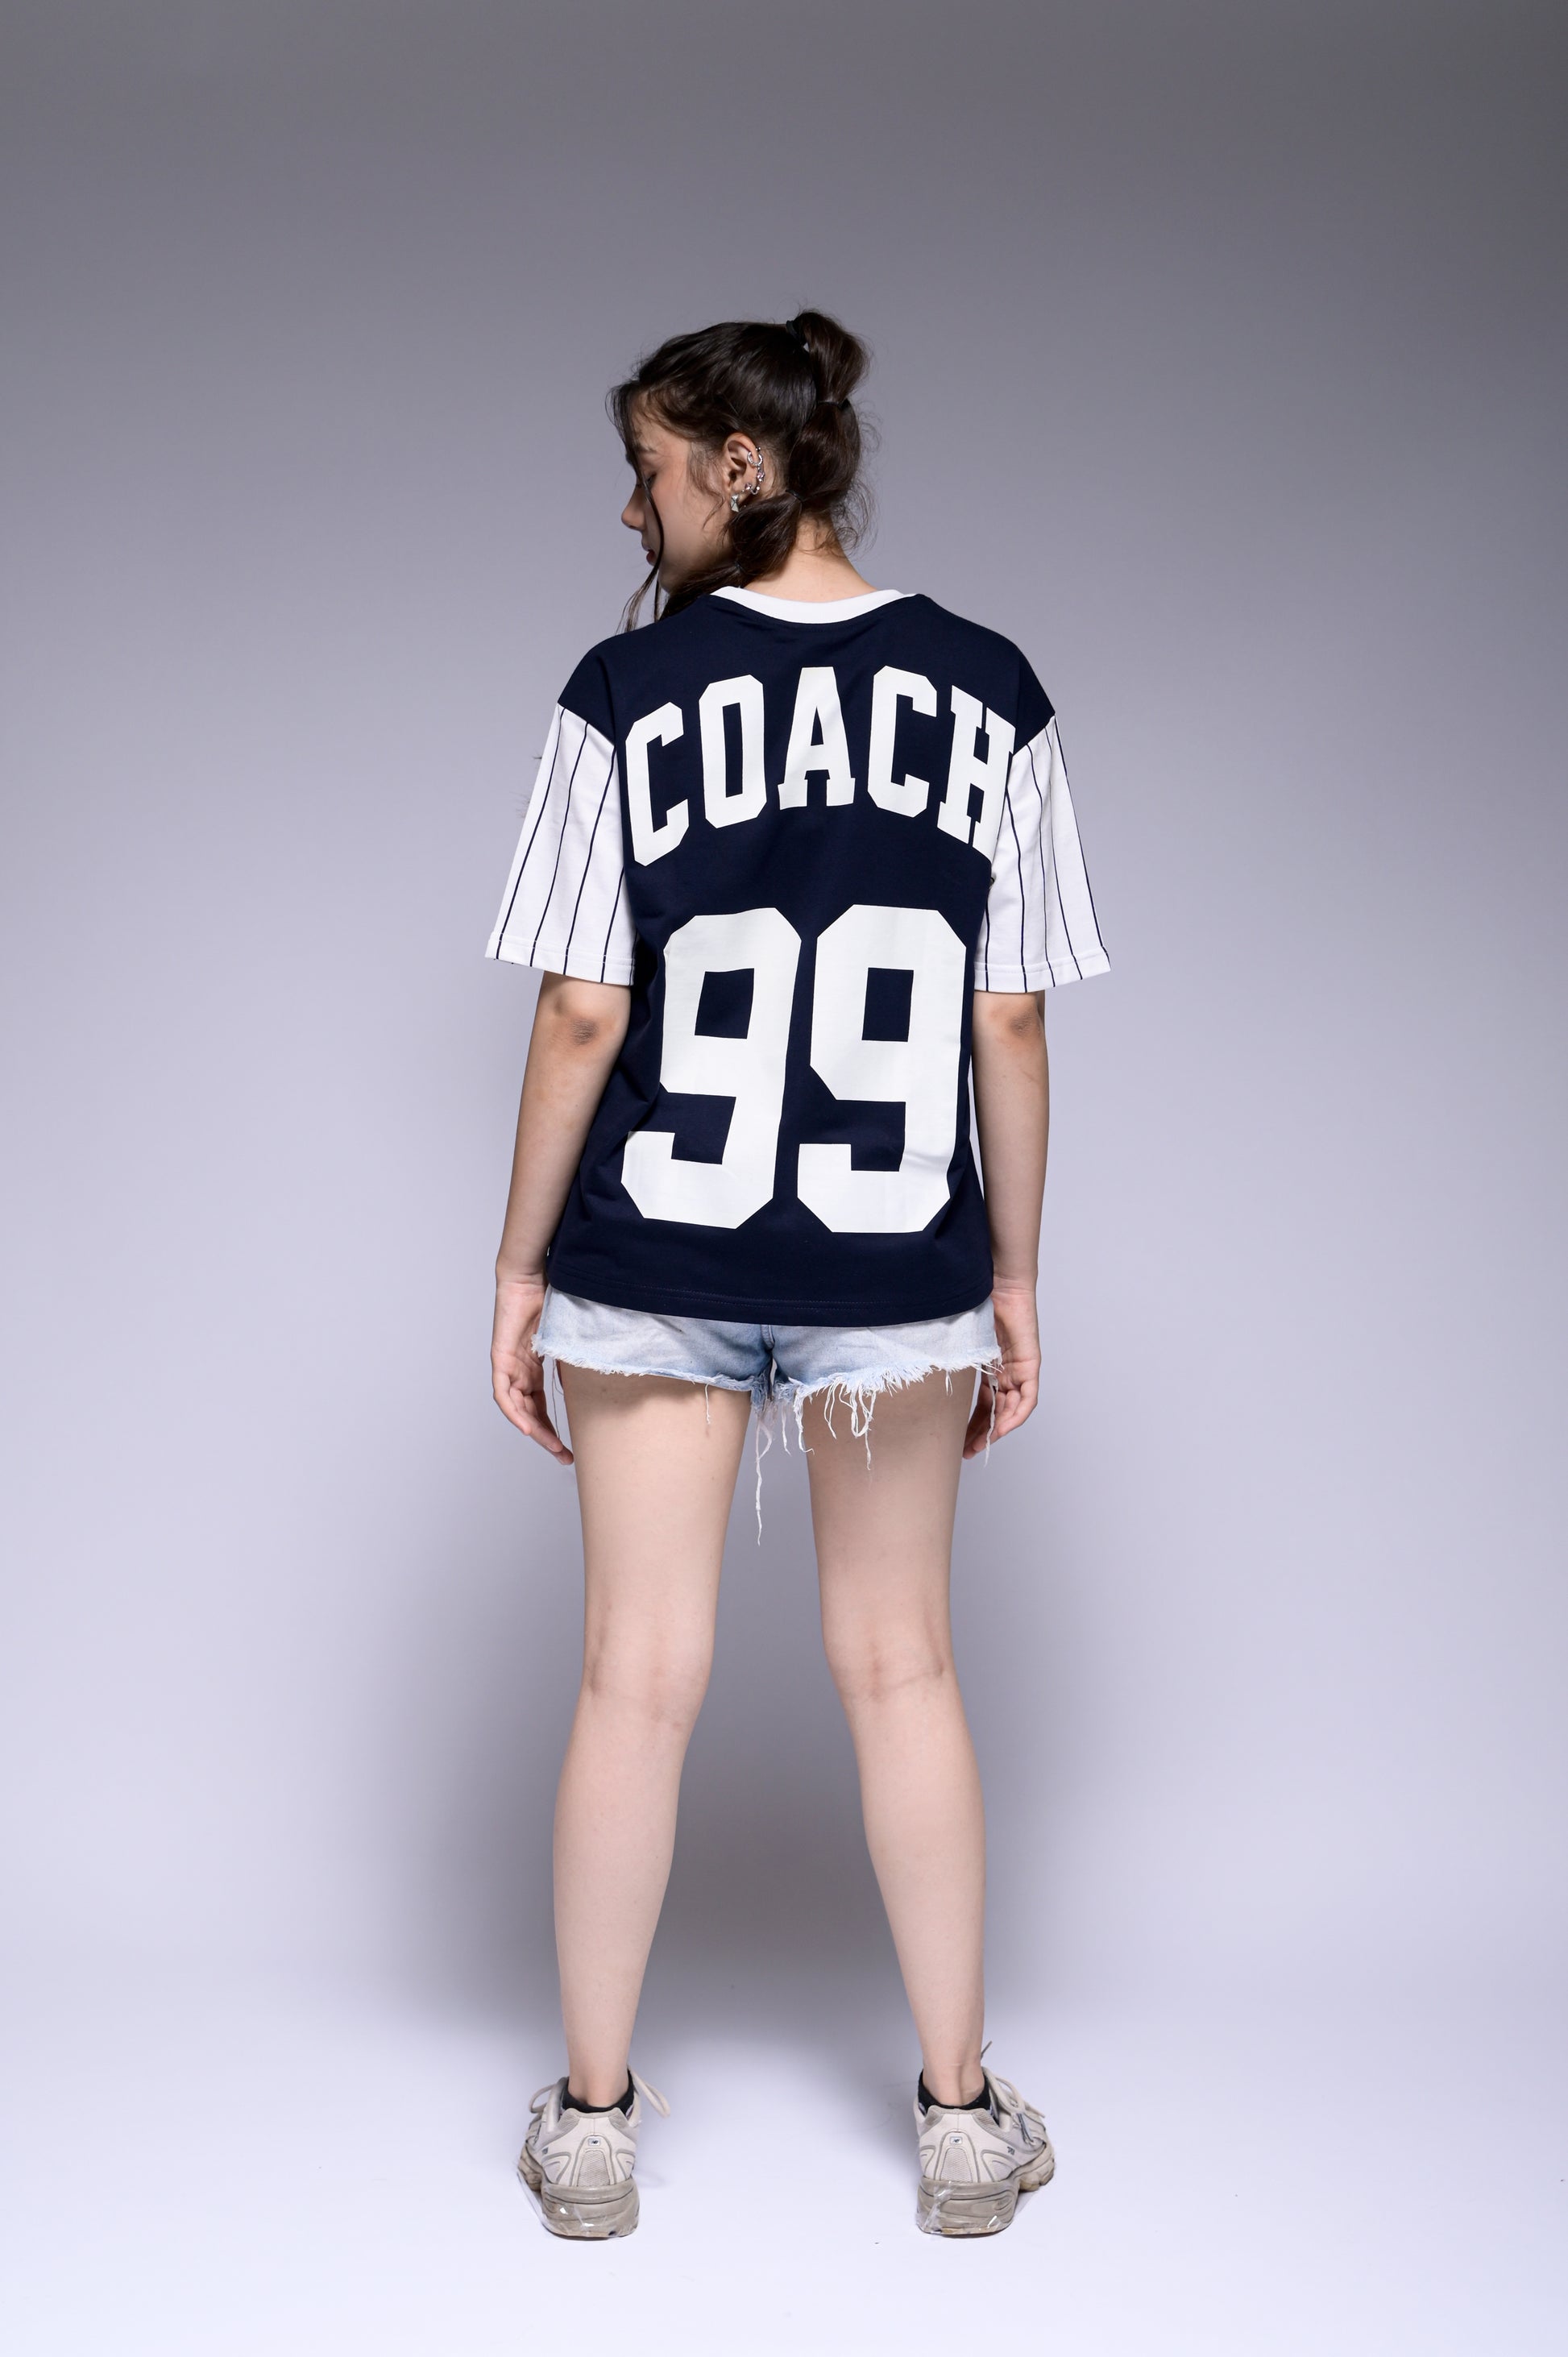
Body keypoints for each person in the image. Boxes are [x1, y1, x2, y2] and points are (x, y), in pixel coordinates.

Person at [486, 311, 1110, 2240]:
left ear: (740, 467)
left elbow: (584, 1009)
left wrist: (515, 1267)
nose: (631, 506)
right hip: (894, 1259)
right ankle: (960, 2116)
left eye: (650, 468)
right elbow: (1009, 1021)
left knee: (633, 1676)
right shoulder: (992, 689)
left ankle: (593, 2125)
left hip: (653, 1246)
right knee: (902, 1666)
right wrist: (1014, 1279)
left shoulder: (622, 691)